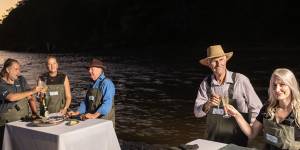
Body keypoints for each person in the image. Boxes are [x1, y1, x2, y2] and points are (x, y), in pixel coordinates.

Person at [194, 45, 263, 146]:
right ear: (209, 64)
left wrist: (250, 130)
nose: (219, 64)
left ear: (225, 60)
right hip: (212, 141)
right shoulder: (205, 83)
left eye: (221, 59)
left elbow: (257, 108)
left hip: (238, 141)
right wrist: (208, 104)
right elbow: (197, 113)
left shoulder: (240, 80)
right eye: (214, 61)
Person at [226, 68, 300, 149]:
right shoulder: (268, 108)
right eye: (274, 85)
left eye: (282, 84)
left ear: (291, 85)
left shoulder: (298, 111)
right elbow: (252, 134)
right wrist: (236, 114)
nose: (277, 89)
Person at [0, 58, 43, 148]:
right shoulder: (1, 84)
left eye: (19, 69)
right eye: (15, 69)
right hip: (5, 126)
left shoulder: (21, 80)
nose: (18, 72)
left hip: (23, 122)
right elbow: (11, 97)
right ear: (7, 70)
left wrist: (35, 113)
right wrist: (33, 90)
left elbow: (30, 98)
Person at [68, 58, 115, 126]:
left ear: (100, 70)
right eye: (89, 69)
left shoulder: (107, 83)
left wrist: (94, 115)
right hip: (93, 122)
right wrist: (77, 112)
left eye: (92, 69)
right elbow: (86, 102)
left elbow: (107, 103)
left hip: (105, 123)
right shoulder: (92, 84)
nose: (89, 71)